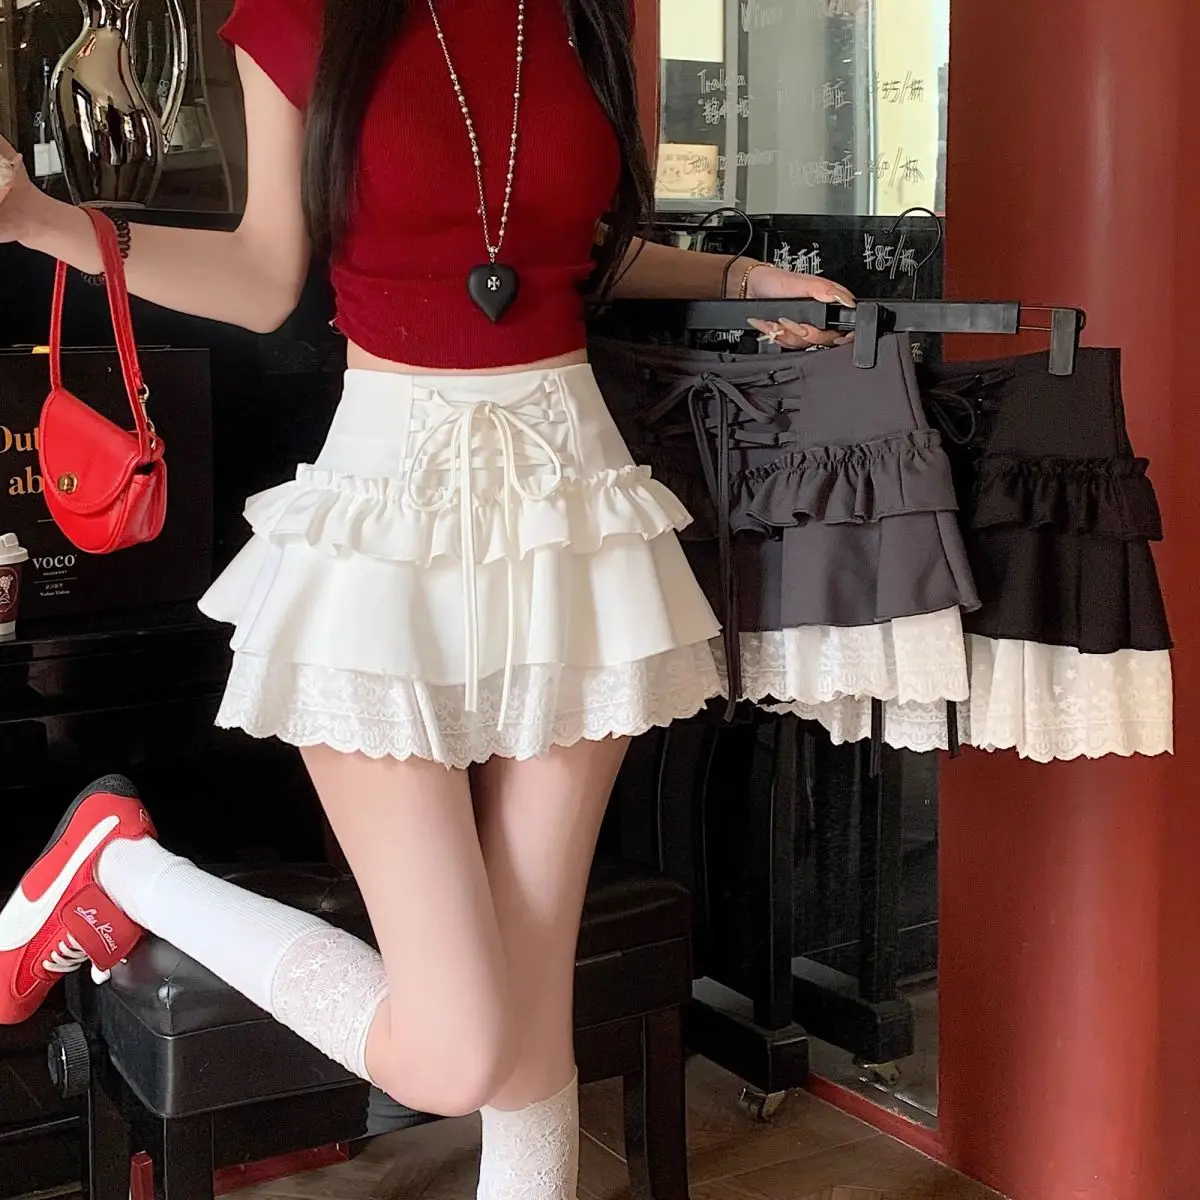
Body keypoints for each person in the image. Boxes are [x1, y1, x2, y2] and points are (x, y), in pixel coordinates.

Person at [0, 1, 854, 1196]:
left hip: (570, 516)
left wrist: (736, 275)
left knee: (530, 1006)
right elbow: (263, 279)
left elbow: (572, 247)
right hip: (386, 523)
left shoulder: (581, 15)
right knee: (454, 1053)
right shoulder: (299, 16)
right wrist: (39, 220)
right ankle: (124, 874)